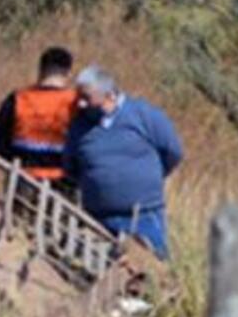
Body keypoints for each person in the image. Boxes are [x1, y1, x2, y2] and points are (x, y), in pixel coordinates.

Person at [63, 65, 183, 258]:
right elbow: (71, 166)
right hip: (99, 220)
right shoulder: (79, 127)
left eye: (87, 98)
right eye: (79, 97)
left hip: (144, 217)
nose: (81, 104)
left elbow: (173, 152)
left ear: (109, 95)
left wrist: (149, 177)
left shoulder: (144, 115)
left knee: (151, 275)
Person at [0, 46, 77, 183]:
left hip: (23, 180)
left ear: (41, 70)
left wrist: (14, 161)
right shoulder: (76, 103)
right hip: (65, 184)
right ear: (68, 73)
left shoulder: (18, 99)